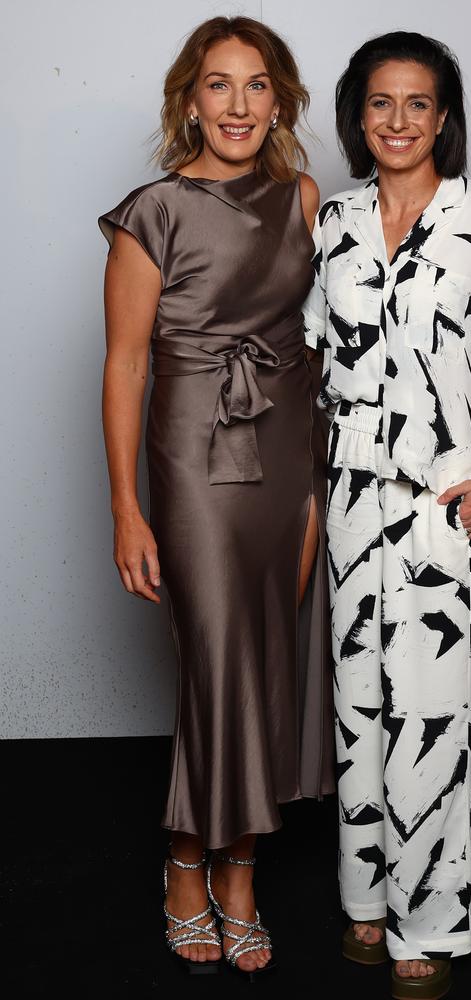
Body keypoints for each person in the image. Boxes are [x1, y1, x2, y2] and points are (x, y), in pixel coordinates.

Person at [303, 31, 471, 1000]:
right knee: (357, 701)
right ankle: (363, 902)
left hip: (440, 505)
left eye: (416, 103)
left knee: (430, 712)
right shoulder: (330, 222)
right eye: (379, 103)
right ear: (355, 115)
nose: (397, 121)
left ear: (442, 115)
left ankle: (428, 921)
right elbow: (311, 360)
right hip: (347, 498)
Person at [99, 15, 333, 979]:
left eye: (257, 86)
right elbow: (122, 367)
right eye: (217, 85)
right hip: (194, 450)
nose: (238, 105)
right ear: (188, 98)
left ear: (279, 98)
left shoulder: (306, 198)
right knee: (215, 657)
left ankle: (236, 863)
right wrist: (126, 508)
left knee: (275, 652)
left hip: (288, 445)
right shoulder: (151, 210)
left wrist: (320, 485)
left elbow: (326, 346)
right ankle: (192, 864)